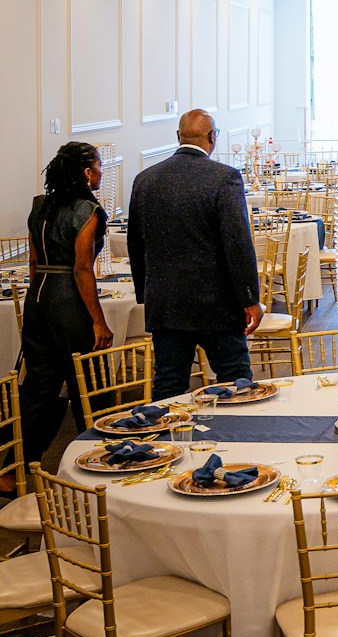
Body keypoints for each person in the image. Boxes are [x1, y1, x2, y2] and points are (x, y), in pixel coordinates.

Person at [128, 109, 263, 396]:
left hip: (165, 303)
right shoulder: (223, 178)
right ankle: (238, 439)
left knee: (169, 385)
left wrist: (146, 295)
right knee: (235, 380)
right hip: (217, 303)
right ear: (212, 138)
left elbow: (135, 245)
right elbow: (237, 244)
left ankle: (166, 439)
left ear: (178, 136)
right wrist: (250, 298)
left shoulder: (145, 179)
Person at [17, 141, 114, 470]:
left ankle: (16, 468)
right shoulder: (87, 211)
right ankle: (103, 459)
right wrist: (98, 321)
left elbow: (32, 262)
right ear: (87, 172)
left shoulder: (39, 206)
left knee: (38, 387)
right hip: (67, 301)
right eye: (99, 166)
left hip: (38, 298)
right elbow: (82, 268)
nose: (101, 172)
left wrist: (38, 306)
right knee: (89, 383)